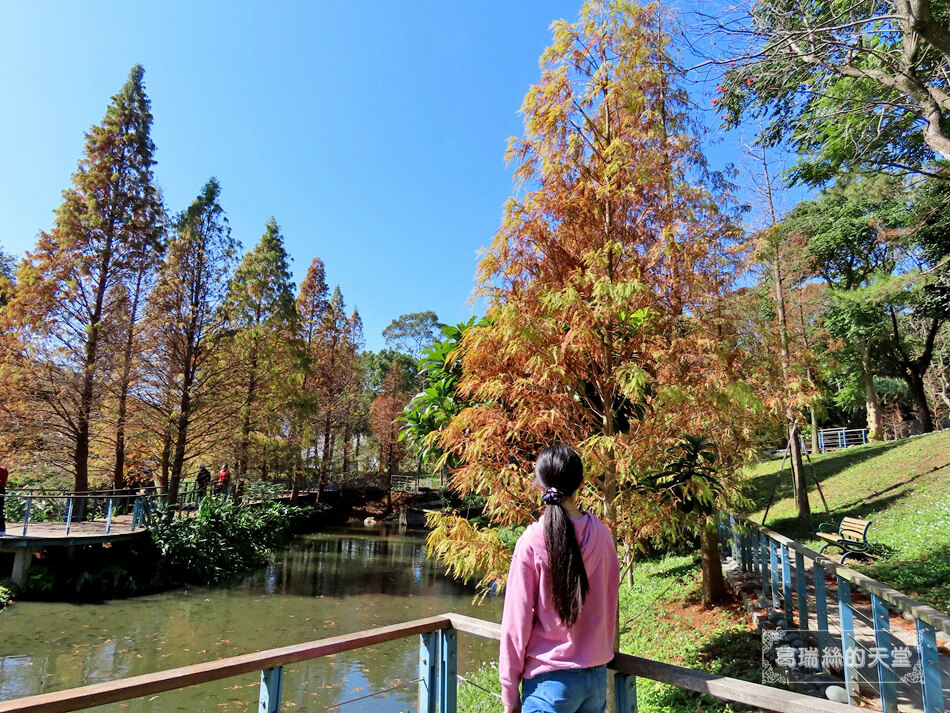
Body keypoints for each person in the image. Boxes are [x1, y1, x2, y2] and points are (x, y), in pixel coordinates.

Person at [499, 445, 620, 713]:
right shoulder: (602, 535)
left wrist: (509, 693)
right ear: (581, 483)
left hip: (548, 684)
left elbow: (514, 625)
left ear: (539, 486)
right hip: (596, 678)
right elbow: (611, 598)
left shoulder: (531, 541)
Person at [0, 464, 7, 535]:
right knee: (0, 510)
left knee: (0, 510)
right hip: (2, 490)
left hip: (0, 490)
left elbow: (2, 482)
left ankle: (1, 530)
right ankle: (1, 530)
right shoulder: (3, 469)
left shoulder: (2, 469)